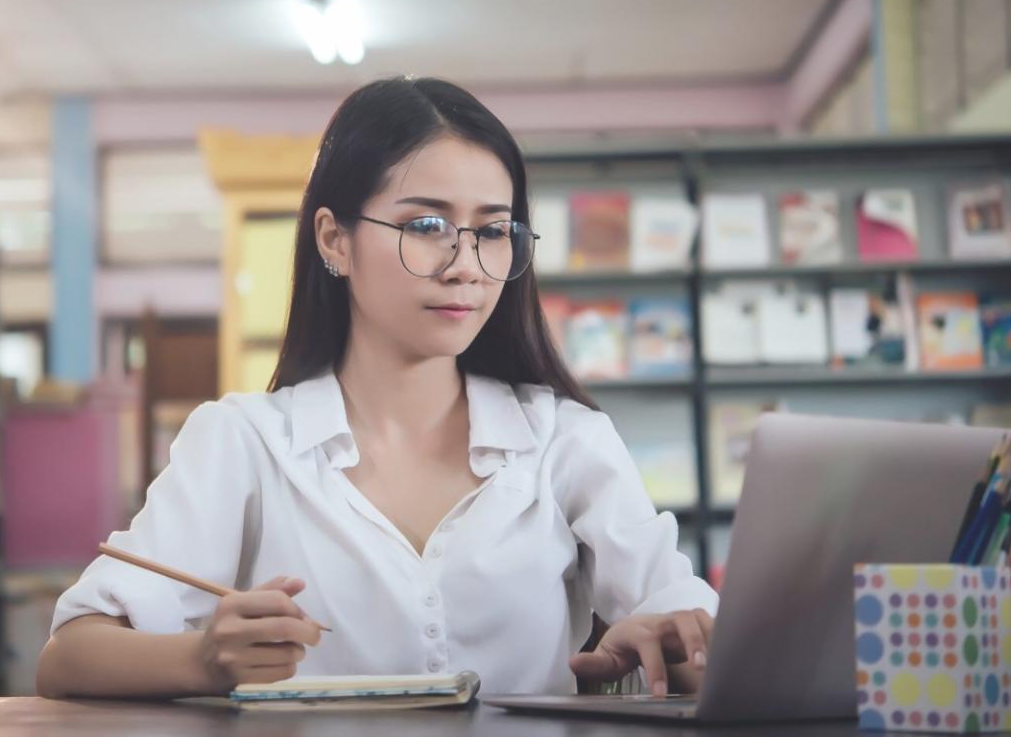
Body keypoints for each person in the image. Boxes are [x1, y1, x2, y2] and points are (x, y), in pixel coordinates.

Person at [37, 76, 716, 699]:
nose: (465, 266)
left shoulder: (565, 441)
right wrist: (205, 659)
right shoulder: (244, 441)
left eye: (492, 230)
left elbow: (695, 633)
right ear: (334, 240)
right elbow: (68, 657)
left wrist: (666, 649)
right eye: (426, 226)